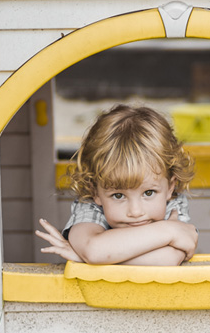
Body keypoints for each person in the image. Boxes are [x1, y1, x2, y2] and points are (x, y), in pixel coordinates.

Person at [36, 104, 198, 266]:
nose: (135, 212)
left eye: (148, 193)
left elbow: (166, 259)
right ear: (95, 193)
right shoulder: (90, 206)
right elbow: (94, 250)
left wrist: (89, 260)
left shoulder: (173, 205)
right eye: (118, 195)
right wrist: (168, 230)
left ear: (170, 187)